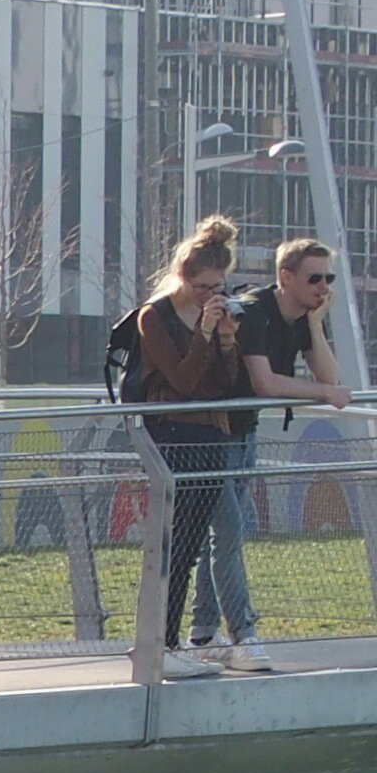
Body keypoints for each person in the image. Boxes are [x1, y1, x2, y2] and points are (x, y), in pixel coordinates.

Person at [123, 215, 249, 669]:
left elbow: (227, 382)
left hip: (211, 432)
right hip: (173, 432)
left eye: (219, 287)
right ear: (182, 276)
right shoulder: (153, 318)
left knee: (193, 541)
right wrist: (205, 332)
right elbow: (182, 380)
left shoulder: (214, 317)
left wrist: (229, 341)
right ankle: (159, 642)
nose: (210, 296)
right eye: (203, 288)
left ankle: (169, 643)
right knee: (171, 544)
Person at [236, 235, 356, 666]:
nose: (324, 287)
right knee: (223, 537)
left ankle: (207, 634)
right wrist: (324, 390)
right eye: (314, 278)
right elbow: (265, 383)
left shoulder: (300, 317)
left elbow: (332, 378)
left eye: (329, 278)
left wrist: (316, 325)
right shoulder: (253, 310)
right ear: (285, 277)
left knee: (228, 536)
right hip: (209, 434)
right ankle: (211, 636)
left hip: (242, 433)